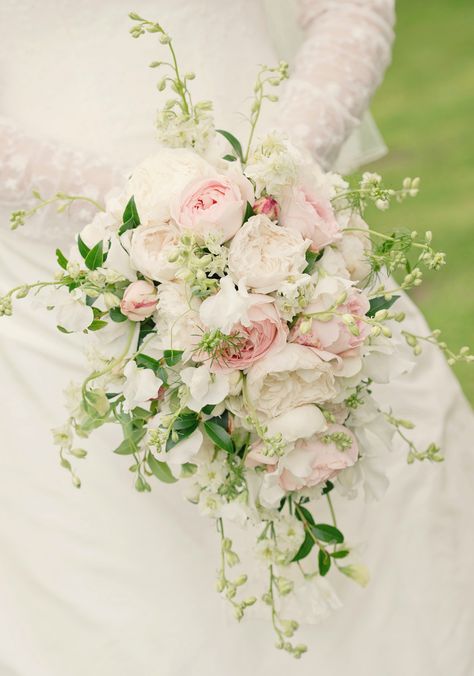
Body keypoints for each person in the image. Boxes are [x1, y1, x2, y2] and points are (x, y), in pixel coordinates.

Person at [0, 2, 472, 674]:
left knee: (397, 578)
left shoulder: (274, 205)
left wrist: (274, 181)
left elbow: (350, 10)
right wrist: (134, 215)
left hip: (292, 250)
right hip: (58, 300)